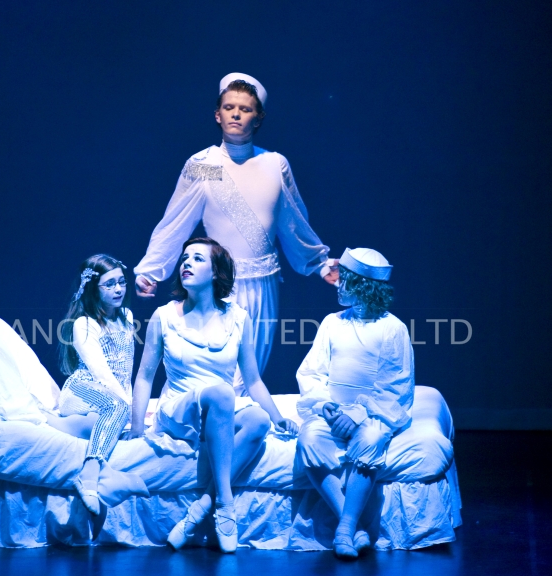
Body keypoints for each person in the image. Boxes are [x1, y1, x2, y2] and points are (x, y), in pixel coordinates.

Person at [134, 72, 338, 395]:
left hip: (263, 285)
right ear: (217, 114)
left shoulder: (275, 164)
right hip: (216, 284)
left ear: (258, 117)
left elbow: (294, 223)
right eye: (229, 107)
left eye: (245, 109)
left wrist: (320, 264)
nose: (236, 114)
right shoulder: (203, 164)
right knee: (215, 375)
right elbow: (174, 222)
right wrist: (150, 270)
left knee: (248, 377)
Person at [127, 237, 299, 553]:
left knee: (258, 420)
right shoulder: (164, 317)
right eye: (184, 258)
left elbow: (253, 380)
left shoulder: (239, 317)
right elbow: (144, 377)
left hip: (219, 407)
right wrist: (138, 428)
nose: (186, 263)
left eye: (197, 258)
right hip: (179, 408)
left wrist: (278, 418)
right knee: (222, 393)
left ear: (216, 271)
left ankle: (203, 506)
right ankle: (225, 504)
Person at [295, 248, 414, 560]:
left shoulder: (392, 328)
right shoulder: (332, 323)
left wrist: (359, 412)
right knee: (309, 439)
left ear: (363, 285)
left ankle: (345, 528)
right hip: (334, 411)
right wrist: (324, 405)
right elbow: (312, 371)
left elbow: (395, 386)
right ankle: (354, 528)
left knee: (371, 438)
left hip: (372, 412)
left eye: (345, 280)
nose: (338, 285)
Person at [43, 254, 135, 516]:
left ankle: (54, 423)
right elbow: (102, 374)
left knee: (104, 421)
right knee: (115, 409)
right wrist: (127, 407)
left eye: (121, 282)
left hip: (110, 396)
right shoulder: (84, 324)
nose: (118, 289)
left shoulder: (127, 316)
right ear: (94, 288)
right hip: (83, 390)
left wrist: (129, 408)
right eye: (110, 284)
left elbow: (126, 372)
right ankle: (90, 472)